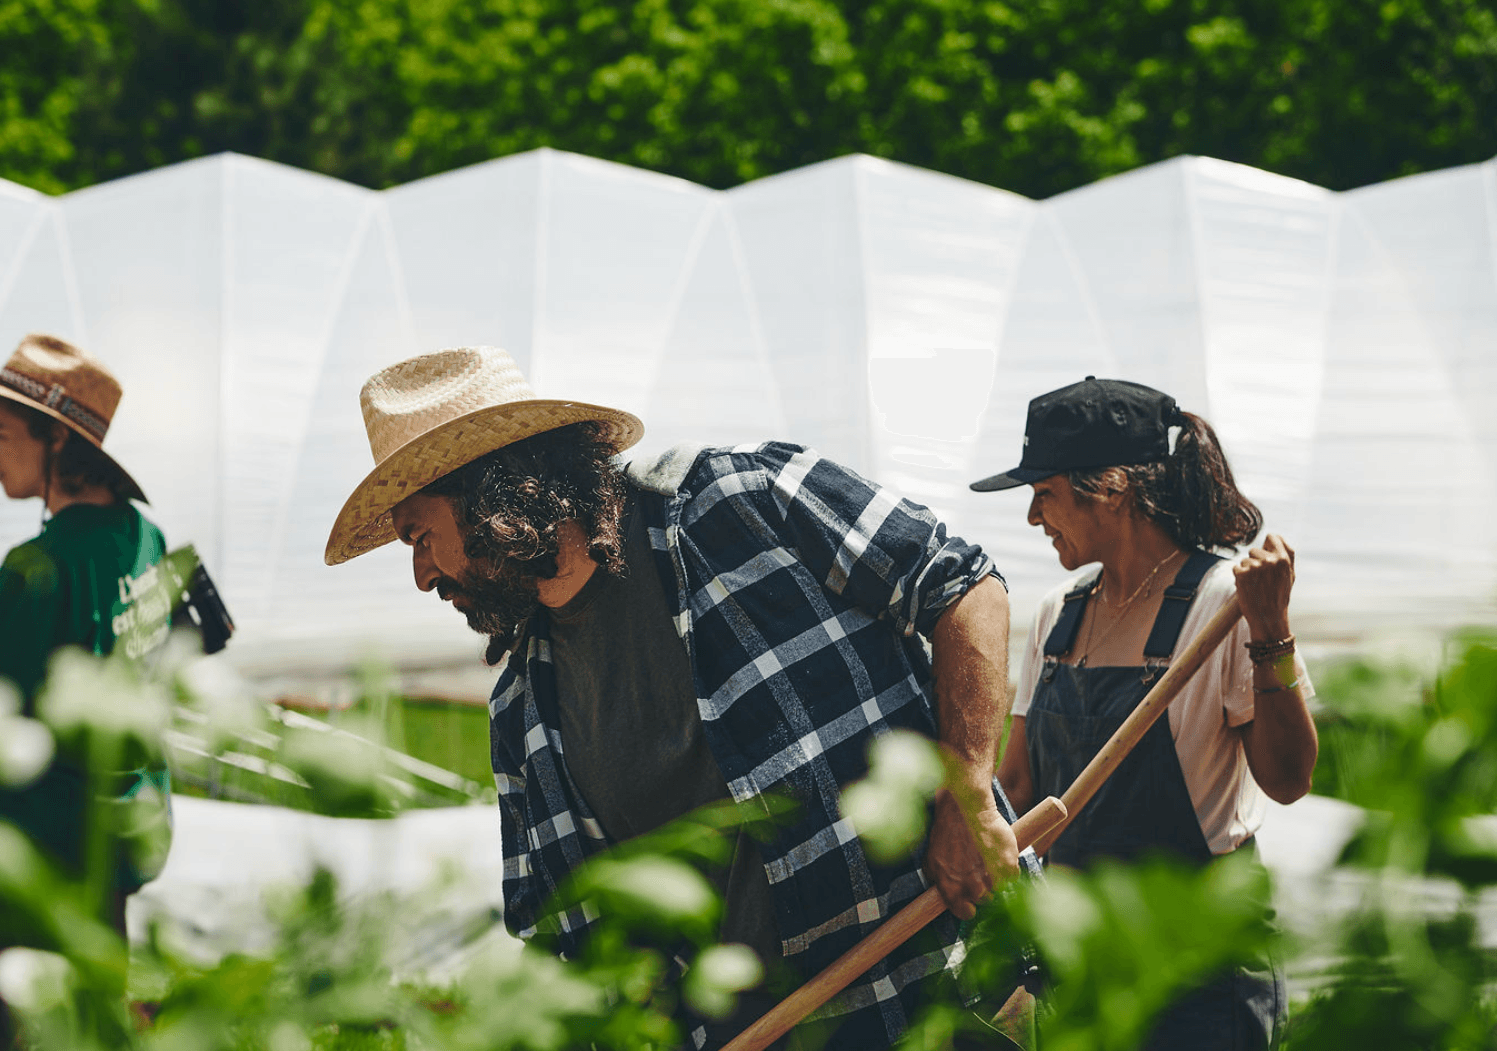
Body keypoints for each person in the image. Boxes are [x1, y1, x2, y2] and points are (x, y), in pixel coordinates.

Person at [325, 346, 1034, 1049]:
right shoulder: (522, 712)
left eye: (420, 536)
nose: (422, 575)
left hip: (951, 987)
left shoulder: (739, 499)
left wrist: (966, 791)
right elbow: (563, 942)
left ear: (490, 495)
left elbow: (962, 587)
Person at [972, 376, 1318, 1049]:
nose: (1032, 518)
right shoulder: (1058, 615)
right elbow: (1016, 790)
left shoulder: (1225, 606)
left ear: (1111, 488)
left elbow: (1288, 778)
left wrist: (1272, 627)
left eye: (1044, 493)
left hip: (1199, 972)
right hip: (1085, 965)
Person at [0, 333, 175, 1051]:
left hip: (48, 841)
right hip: (124, 830)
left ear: (56, 441)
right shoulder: (147, 540)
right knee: (87, 1019)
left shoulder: (36, 565)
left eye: (0, 433)